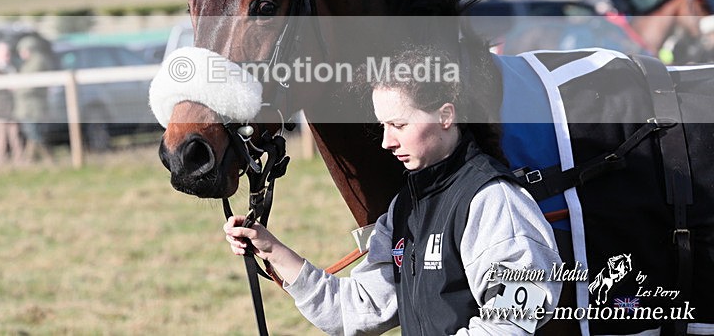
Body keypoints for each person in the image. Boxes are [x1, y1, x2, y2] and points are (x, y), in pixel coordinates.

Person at [224, 46, 563, 335]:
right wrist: (272, 249)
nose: (387, 141)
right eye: (383, 125)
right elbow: (357, 308)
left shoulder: (493, 200)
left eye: (399, 124)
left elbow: (517, 315)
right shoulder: (404, 208)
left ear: (446, 115)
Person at [13, 36, 54, 163]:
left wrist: (17, 88)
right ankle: (31, 159)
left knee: (33, 133)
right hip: (28, 106)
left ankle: (46, 158)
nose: (21, 54)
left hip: (32, 107)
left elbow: (29, 85)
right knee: (31, 134)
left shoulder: (37, 62)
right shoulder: (31, 63)